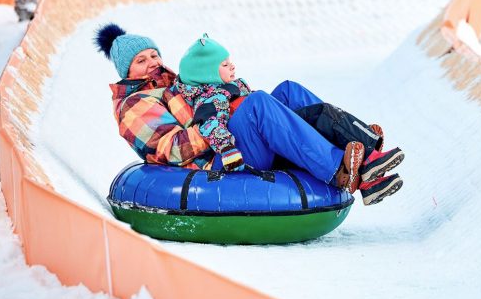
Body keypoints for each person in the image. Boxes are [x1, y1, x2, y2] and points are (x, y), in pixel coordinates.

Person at [95, 24, 404, 205]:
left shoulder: (175, 83)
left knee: (288, 91)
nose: (151, 62)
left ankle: (364, 159)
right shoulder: (135, 104)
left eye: (153, 54)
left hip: (228, 139)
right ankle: (340, 168)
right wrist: (217, 122)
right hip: (215, 162)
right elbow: (168, 150)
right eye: (140, 60)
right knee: (256, 104)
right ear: (127, 71)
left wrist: (226, 95)